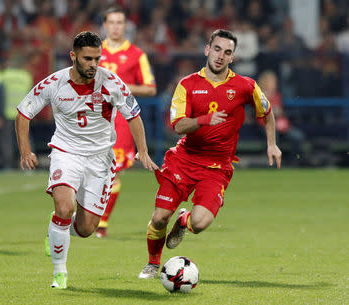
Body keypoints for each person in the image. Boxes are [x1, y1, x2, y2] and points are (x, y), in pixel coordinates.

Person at [15, 31, 158, 289]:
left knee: (86, 228)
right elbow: (23, 113)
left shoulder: (111, 82)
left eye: (97, 58)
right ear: (73, 56)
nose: (93, 64)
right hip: (66, 153)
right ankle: (60, 275)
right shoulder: (54, 83)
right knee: (64, 208)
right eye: (87, 58)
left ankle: (57, 227)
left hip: (100, 159)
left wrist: (143, 151)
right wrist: (26, 151)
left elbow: (134, 115)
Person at [138, 29, 282, 279]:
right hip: (184, 159)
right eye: (217, 49)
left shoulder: (245, 86)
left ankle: (184, 222)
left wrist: (272, 143)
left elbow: (267, 112)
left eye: (227, 52)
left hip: (217, 167)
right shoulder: (187, 84)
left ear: (232, 58)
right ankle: (152, 263)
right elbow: (177, 125)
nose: (220, 56)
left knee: (201, 223)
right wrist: (204, 120)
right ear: (207, 49)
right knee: (160, 217)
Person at [96, 7, 157, 238]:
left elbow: (151, 88)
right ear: (104, 25)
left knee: (114, 172)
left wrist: (123, 86)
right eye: (111, 22)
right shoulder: (93, 50)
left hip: (119, 120)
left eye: (119, 22)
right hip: (91, 117)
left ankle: (101, 223)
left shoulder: (136, 55)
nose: (115, 26)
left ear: (125, 26)